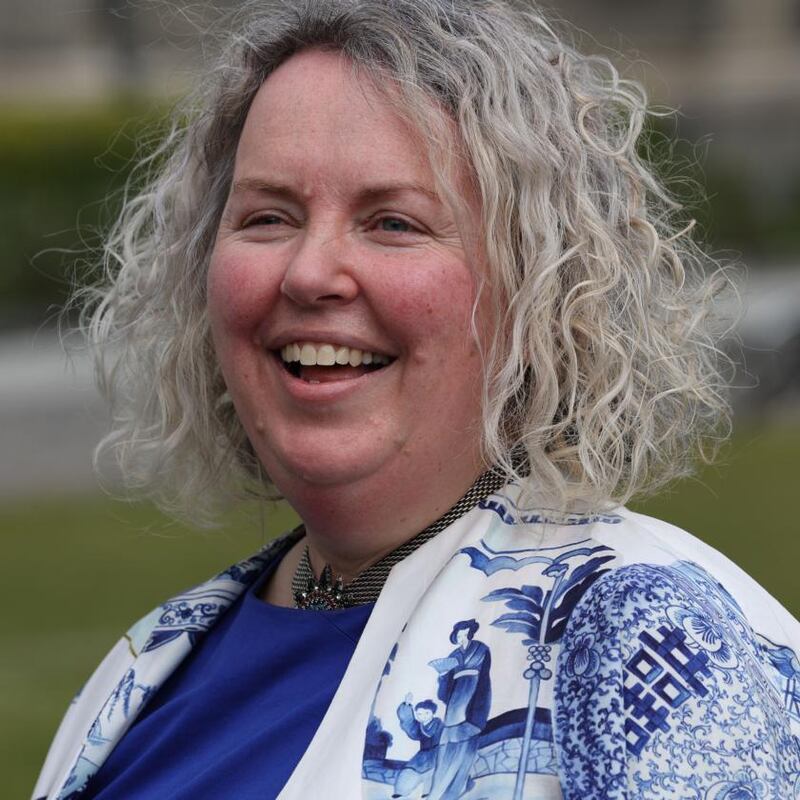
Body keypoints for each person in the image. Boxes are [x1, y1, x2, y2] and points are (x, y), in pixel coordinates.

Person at [33, 1, 800, 799]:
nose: (309, 272)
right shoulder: (153, 666)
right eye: (268, 217)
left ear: (537, 286)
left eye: (392, 222)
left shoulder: (639, 633)